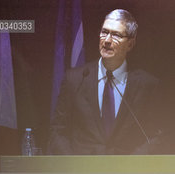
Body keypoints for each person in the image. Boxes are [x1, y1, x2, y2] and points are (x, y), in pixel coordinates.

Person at [49, 9, 162, 155]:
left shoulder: (147, 84)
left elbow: (156, 136)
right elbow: (58, 130)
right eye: (104, 32)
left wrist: (133, 165)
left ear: (130, 44)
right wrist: (73, 165)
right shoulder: (75, 79)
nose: (107, 40)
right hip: (81, 173)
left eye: (116, 35)